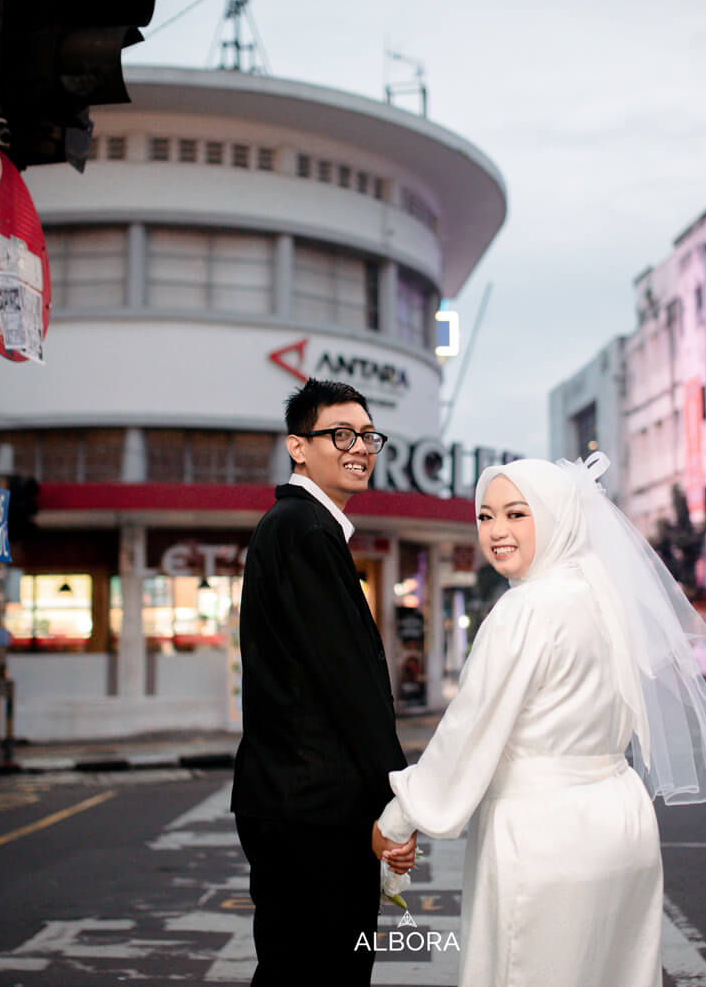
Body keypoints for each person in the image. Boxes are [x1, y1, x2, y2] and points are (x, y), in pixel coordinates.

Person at [373, 454, 706, 987]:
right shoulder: (609, 601)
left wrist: (397, 820)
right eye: (485, 516)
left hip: (544, 835)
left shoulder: (525, 609)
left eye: (516, 514)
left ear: (555, 516)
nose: (496, 531)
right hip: (622, 824)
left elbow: (469, 732)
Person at [230, 378, 415, 986]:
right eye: (340, 434)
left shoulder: (300, 526)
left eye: (367, 436)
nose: (359, 447)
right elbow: (349, 682)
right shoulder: (305, 530)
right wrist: (399, 800)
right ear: (298, 447)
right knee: (325, 973)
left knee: (295, 969)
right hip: (314, 808)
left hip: (296, 801)